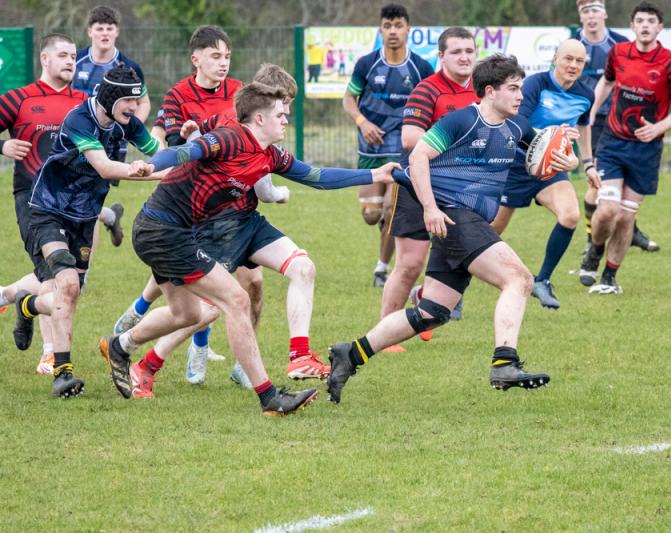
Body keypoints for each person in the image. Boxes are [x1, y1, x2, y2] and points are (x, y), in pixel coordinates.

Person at [97, 82, 398, 412]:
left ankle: (121, 345)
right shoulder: (230, 139)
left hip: (178, 232)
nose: (286, 120)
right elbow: (186, 151)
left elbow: (318, 176)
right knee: (236, 299)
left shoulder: (270, 154)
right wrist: (153, 164)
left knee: (189, 313)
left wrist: (375, 174)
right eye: (280, 115)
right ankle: (270, 398)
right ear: (258, 118)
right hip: (162, 230)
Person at [326, 54, 551, 405]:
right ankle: (505, 361)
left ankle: (350, 354)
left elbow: (542, 157)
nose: (521, 95)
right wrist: (430, 208)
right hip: (457, 217)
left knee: (432, 312)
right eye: (513, 88)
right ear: (490, 91)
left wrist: (563, 156)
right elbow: (417, 157)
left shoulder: (517, 127)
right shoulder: (461, 121)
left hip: (465, 221)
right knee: (519, 279)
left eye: (521, 87)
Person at [12, 65, 160, 399]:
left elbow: (156, 151)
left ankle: (28, 306)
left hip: (84, 217)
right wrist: (147, 172)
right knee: (65, 283)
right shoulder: (79, 119)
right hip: (47, 210)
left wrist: (184, 150)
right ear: (110, 98)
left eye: (137, 102)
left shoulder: (128, 124)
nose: (135, 108)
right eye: (129, 101)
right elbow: (105, 167)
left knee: (72, 291)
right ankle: (63, 374)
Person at [114, 25, 244, 372]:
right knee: (207, 281)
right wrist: (186, 139)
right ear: (196, 59)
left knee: (215, 280)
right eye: (216, 56)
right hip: (189, 198)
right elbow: (174, 146)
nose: (223, 63)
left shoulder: (237, 91)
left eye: (227, 56)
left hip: (226, 198)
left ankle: (148, 317)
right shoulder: (177, 95)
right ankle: (177, 345)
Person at [380, 26, 478, 351]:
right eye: (456, 51)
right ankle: (385, 330)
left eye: (469, 51)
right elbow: (410, 138)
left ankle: (425, 299)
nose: (464, 57)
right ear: (441, 56)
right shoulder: (427, 89)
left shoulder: (483, 91)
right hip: (416, 186)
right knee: (409, 264)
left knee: (459, 260)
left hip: (460, 192)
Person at [580, 1, 671, 294]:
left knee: (626, 216)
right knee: (606, 211)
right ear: (632, 26)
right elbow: (606, 82)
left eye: (651, 21)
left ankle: (609, 278)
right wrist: (591, 109)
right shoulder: (619, 52)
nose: (645, 25)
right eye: (639, 20)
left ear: (659, 27)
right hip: (614, 142)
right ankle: (594, 249)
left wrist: (658, 127)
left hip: (647, 149)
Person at [0, 33, 87, 375]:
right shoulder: (19, 99)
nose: (70, 61)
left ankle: (15, 299)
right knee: (58, 276)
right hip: (34, 200)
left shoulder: (84, 102)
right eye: (63, 54)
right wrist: (3, 148)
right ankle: (52, 354)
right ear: (45, 59)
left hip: (78, 202)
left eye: (74, 56)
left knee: (73, 281)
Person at [491, 39, 595, 310]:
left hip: (551, 169)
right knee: (488, 233)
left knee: (571, 215)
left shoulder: (586, 95)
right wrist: (552, 137)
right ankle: (454, 285)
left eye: (579, 61)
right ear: (555, 59)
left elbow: (583, 128)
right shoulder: (535, 85)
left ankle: (543, 280)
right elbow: (518, 122)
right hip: (514, 165)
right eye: (568, 58)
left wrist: (588, 163)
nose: (573, 65)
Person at [342, 3, 434, 287]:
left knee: (393, 211)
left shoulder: (421, 67)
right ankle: (385, 224)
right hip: (370, 151)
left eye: (398, 26)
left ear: (408, 30)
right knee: (371, 215)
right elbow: (348, 99)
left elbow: (432, 104)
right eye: (387, 26)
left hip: (403, 152)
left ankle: (382, 269)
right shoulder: (367, 64)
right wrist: (362, 122)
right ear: (381, 30)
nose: (393, 31)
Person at [575, 0, 660, 254]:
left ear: (604, 13)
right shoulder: (573, 45)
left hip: (620, 120)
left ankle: (630, 231)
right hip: (588, 121)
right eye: (585, 11)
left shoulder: (620, 43)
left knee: (625, 185)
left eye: (595, 10)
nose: (591, 16)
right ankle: (593, 239)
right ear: (580, 16)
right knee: (597, 183)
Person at [73, 5, 150, 246]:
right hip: (77, 138)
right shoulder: (75, 61)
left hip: (109, 144)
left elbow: (144, 102)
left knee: (88, 201)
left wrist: (129, 128)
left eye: (110, 28)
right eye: (99, 28)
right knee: (78, 199)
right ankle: (110, 216)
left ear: (117, 32)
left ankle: (82, 275)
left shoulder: (128, 67)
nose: (104, 33)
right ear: (90, 32)